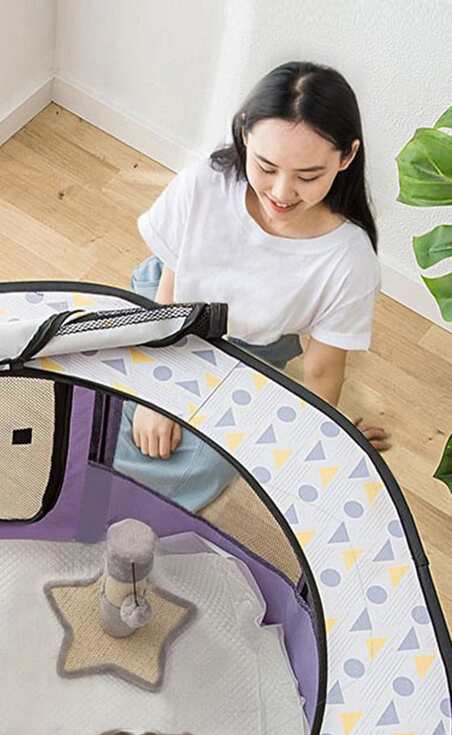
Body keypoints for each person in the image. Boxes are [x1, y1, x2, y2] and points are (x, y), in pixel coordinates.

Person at [116, 61, 390, 513]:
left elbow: (323, 371)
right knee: (94, 395)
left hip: (249, 346)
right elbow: (171, 284)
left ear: (346, 157)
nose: (281, 193)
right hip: (172, 303)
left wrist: (325, 442)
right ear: (244, 133)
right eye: (266, 167)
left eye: (307, 177)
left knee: (190, 464)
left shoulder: (348, 259)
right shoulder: (206, 182)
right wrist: (159, 396)